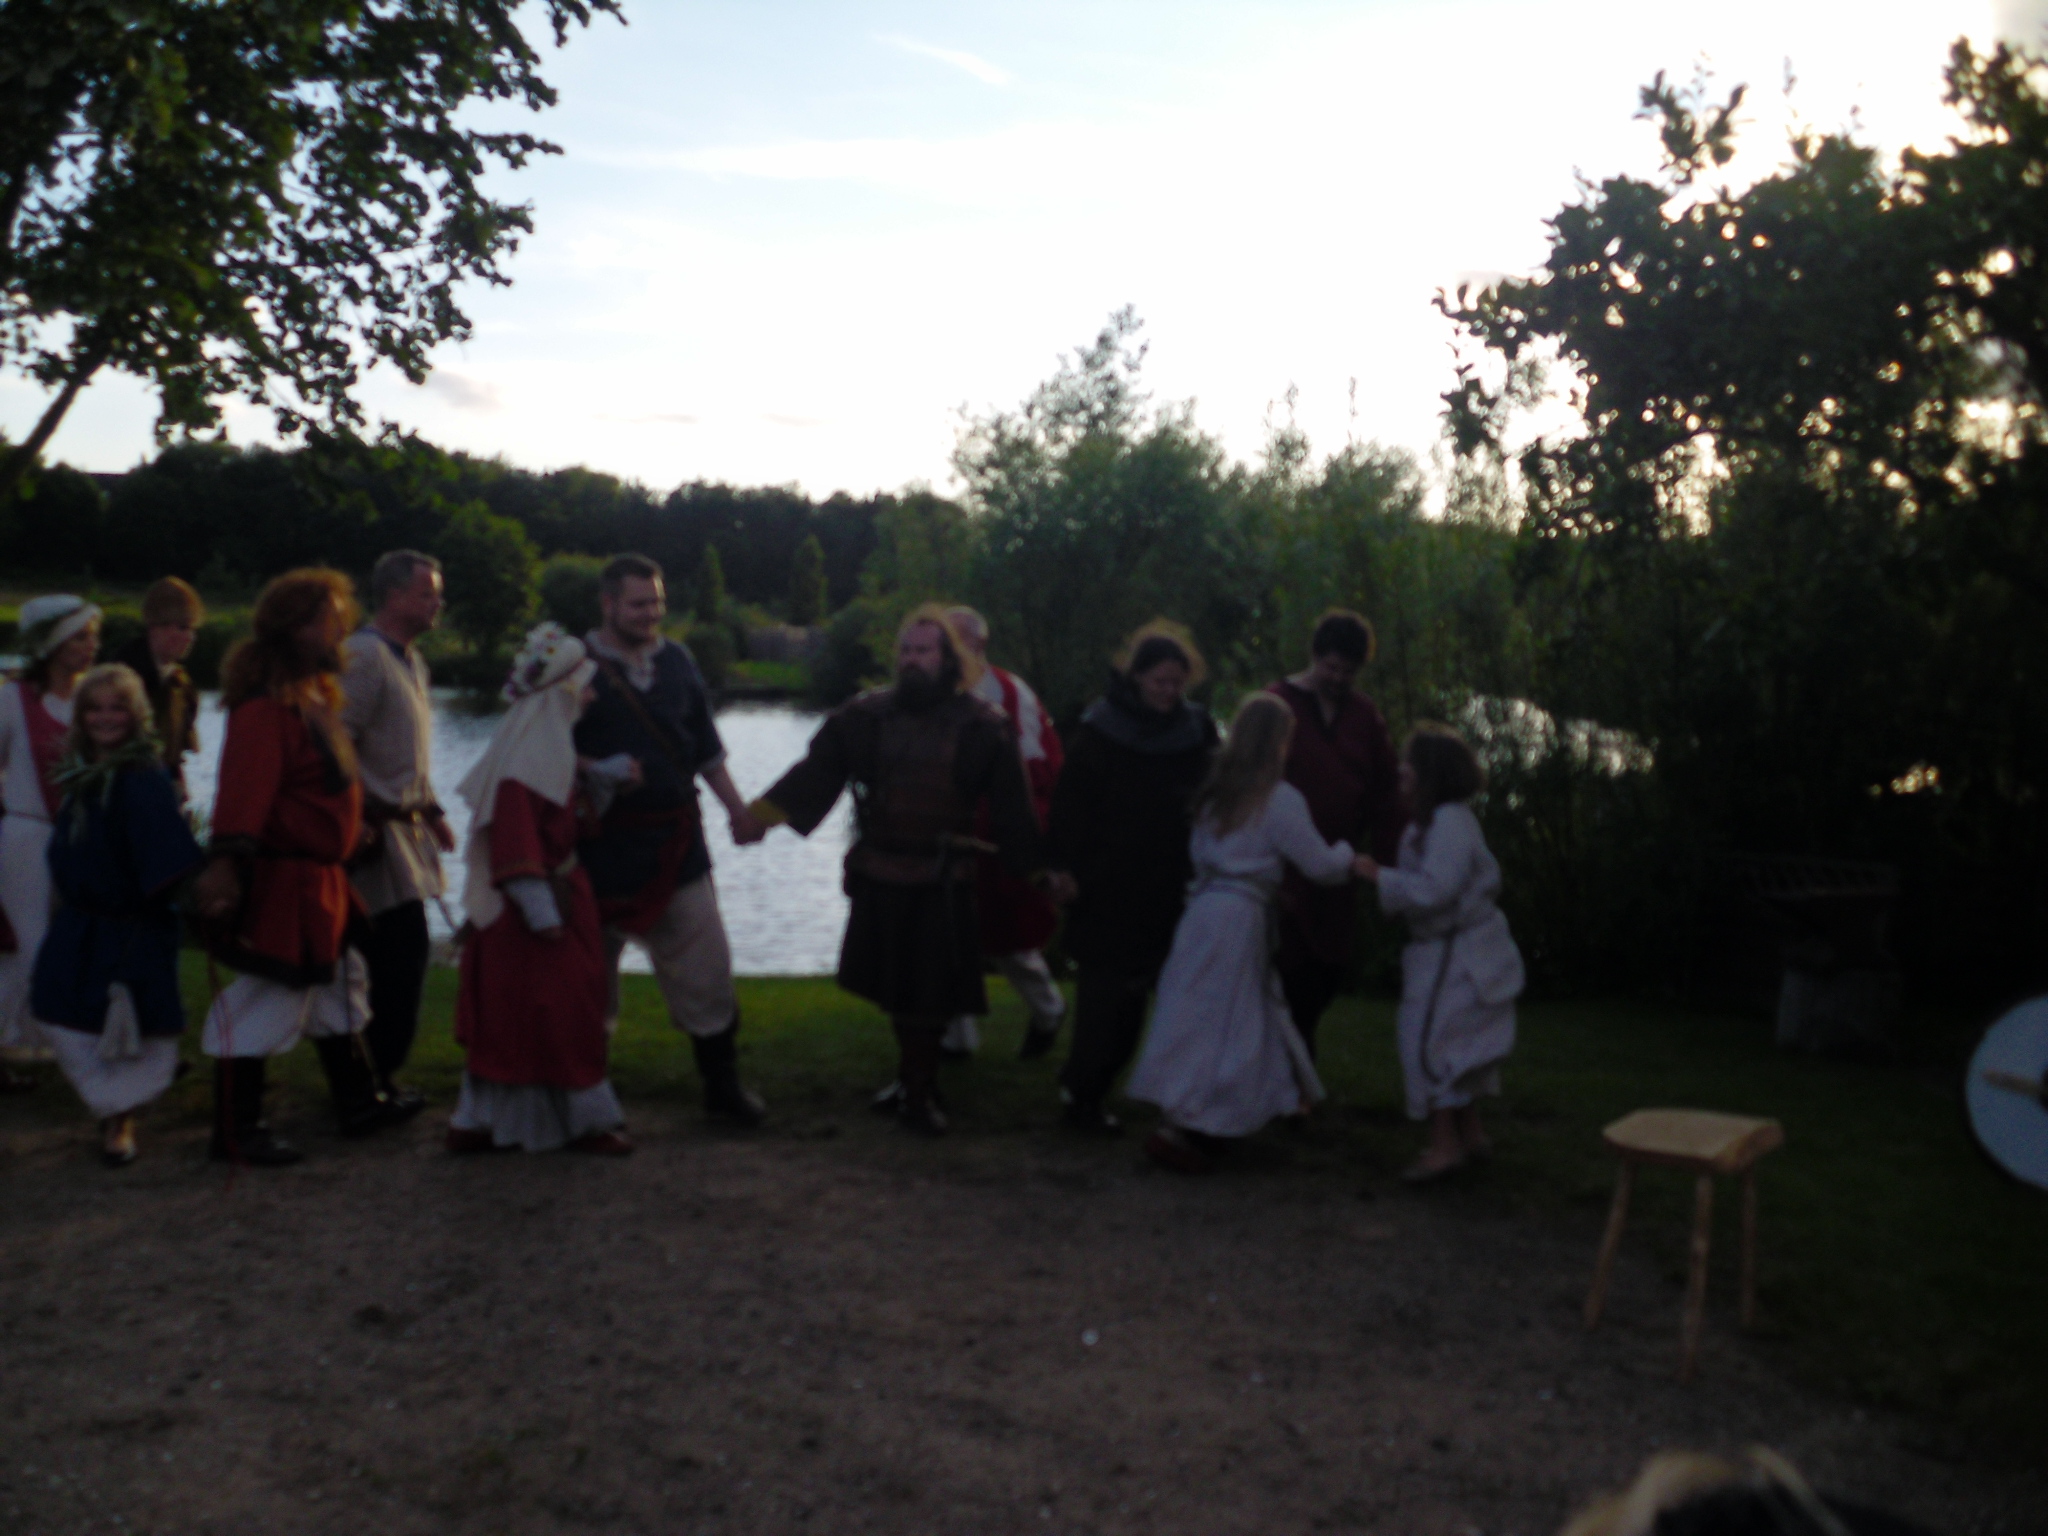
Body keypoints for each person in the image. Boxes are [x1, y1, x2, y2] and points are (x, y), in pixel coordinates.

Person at [752, 604, 1043, 1134]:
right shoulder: (865, 718)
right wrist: (760, 818)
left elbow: (1013, 811)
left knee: (929, 993)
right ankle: (914, 1081)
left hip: (943, 880)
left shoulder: (983, 727)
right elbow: (816, 773)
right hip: (881, 872)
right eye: (905, 650)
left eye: (923, 651)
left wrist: (1042, 872)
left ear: (948, 658)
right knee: (895, 985)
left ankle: (917, 1090)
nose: (912, 660)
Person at [191, 569, 393, 1166]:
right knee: (266, 997)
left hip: (319, 879)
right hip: (286, 884)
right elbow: (244, 796)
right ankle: (236, 1130)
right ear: (297, 627)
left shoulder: (311, 698)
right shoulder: (266, 707)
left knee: (339, 988)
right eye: (332, 619)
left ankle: (359, 1102)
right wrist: (225, 868)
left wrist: (352, 828)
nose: (342, 629)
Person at [1128, 693, 1372, 1174]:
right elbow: (1320, 865)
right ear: (1279, 742)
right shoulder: (1278, 799)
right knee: (1229, 1020)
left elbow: (1203, 859)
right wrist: (1350, 856)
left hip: (1203, 912)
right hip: (1238, 920)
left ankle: (1198, 1118)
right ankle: (1193, 1123)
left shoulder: (1215, 796)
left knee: (1195, 1012)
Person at [574, 553, 766, 1127]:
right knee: (589, 978)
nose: (651, 614)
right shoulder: (570, 666)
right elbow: (534, 749)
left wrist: (738, 812)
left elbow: (705, 749)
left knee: (707, 967)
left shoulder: (678, 661)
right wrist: (595, 768)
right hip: (595, 848)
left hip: (676, 843)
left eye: (657, 602)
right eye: (638, 604)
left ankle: (722, 1088)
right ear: (608, 604)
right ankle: (584, 1095)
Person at [446, 624, 626, 1155]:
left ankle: (483, 1120)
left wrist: (602, 782)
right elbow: (517, 845)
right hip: (532, 918)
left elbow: (561, 822)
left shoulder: (544, 752)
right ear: (564, 692)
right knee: (553, 1016)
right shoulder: (526, 764)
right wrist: (543, 915)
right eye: (585, 687)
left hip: (552, 902)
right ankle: (574, 1123)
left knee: (532, 1017)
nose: (591, 697)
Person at [1044, 622, 1219, 1133]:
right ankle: (1083, 1094)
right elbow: (1070, 807)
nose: (1168, 692)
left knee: (1158, 998)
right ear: (1137, 676)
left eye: (1177, 683)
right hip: (1108, 884)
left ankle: (1157, 1089)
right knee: (1106, 1000)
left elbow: (1214, 796)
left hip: (1170, 882)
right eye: (1160, 681)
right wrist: (1061, 866)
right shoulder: (1101, 731)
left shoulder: (1197, 730)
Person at [30, 664, 205, 1166]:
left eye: (117, 708)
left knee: (130, 1021)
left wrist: (175, 899)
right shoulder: (81, 775)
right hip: (80, 922)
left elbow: (165, 856)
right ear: (81, 716)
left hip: (130, 927)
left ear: (136, 715)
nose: (106, 718)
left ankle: (119, 1121)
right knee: (57, 1002)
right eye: (95, 708)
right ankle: (114, 1102)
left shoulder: (142, 778)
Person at [1356, 723, 1523, 1182]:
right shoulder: (1428, 825)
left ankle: (1444, 1145)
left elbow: (1437, 890)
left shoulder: (1450, 821)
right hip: (1448, 950)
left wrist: (1379, 877)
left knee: (1431, 1043)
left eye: (1409, 766)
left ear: (1428, 773)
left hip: (1456, 953)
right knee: (1454, 1041)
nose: (1401, 773)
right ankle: (1471, 1134)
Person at [340, 549, 453, 1116]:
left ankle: (375, 1080)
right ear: (394, 596)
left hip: (405, 835)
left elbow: (404, 755)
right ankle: (367, 1083)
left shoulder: (411, 661)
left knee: (400, 961)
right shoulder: (363, 657)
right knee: (391, 959)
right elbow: (335, 744)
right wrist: (355, 818)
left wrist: (431, 809)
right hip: (371, 841)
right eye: (427, 593)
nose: (438, 603)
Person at [1265, 609, 1405, 1058]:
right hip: (1284, 867)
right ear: (1315, 655)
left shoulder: (1363, 716)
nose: (1338, 678)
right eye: (1331, 667)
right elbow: (1250, 782)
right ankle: (1289, 1070)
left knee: (1328, 969)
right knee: (1287, 970)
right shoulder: (1278, 704)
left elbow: (1386, 793)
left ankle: (1295, 1062)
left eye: (1348, 671)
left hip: (1340, 867)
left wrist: (1388, 867)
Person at [939, 605, 1067, 1061]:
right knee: (947, 934)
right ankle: (956, 1037)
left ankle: (1049, 1010)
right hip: (946, 831)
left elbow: (1037, 772)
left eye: (957, 640)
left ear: (978, 644)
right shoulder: (933, 693)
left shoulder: (1010, 694)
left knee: (1011, 939)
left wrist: (1029, 843)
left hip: (998, 837)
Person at [1, 594, 101, 1092]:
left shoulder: (91, 700)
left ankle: (62, 1044)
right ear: (54, 643)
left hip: (79, 840)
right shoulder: (12, 699)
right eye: (79, 636)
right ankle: (63, 1055)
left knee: (75, 943)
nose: (90, 646)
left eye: (93, 636)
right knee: (32, 944)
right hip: (26, 837)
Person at [113, 577, 205, 797]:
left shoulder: (181, 683)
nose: (190, 638)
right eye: (182, 628)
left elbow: (176, 753)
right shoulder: (121, 675)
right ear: (156, 627)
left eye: (192, 629)